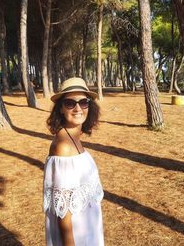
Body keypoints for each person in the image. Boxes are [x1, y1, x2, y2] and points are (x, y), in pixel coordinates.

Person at [43, 77, 104, 246]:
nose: (78, 108)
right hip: (77, 237)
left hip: (88, 227)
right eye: (70, 103)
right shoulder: (63, 147)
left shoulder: (74, 138)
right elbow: (64, 212)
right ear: (61, 109)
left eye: (84, 102)